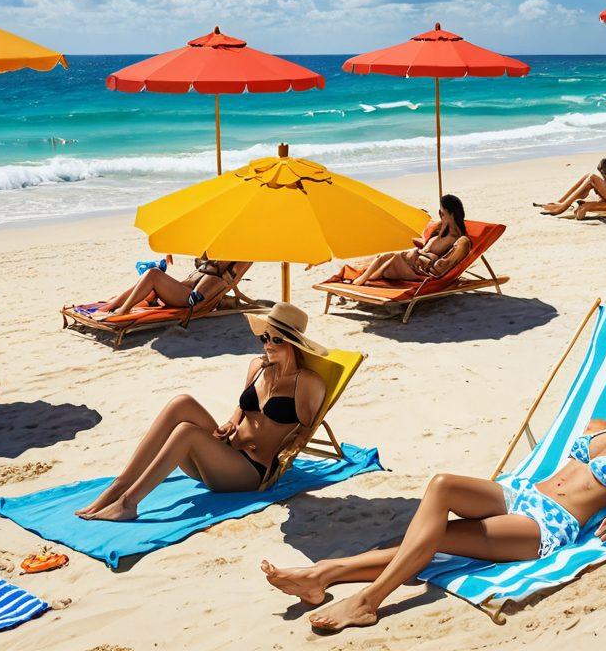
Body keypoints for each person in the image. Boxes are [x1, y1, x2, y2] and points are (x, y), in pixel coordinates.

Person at [261, 360, 606, 632]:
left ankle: (361, 596)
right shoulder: (599, 424)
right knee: (442, 485)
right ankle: (324, 576)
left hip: (547, 525)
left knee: (441, 536)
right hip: (520, 492)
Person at [74, 303, 328, 521]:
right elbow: (242, 406)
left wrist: (287, 456)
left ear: (293, 344)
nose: (268, 345)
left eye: (277, 339)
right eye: (265, 337)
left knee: (186, 432)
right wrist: (231, 421)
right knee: (181, 403)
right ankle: (119, 486)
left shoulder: (307, 383)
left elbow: (306, 430)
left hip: (249, 472)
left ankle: (129, 504)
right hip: (223, 452)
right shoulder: (257, 367)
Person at [348, 195, 471, 286]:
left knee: (386, 258)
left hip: (414, 270)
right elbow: (428, 234)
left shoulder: (457, 240)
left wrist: (431, 258)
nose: (440, 216)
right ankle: (365, 278)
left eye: (442, 213)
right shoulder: (441, 231)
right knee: (382, 258)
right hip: (409, 261)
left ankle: (362, 281)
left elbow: (442, 264)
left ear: (452, 214)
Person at [90, 256, 252, 321]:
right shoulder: (215, 259)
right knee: (148, 281)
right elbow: (200, 261)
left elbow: (226, 282)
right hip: (183, 291)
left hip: (192, 300)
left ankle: (123, 309)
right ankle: (111, 306)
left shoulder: (233, 264)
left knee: (153, 274)